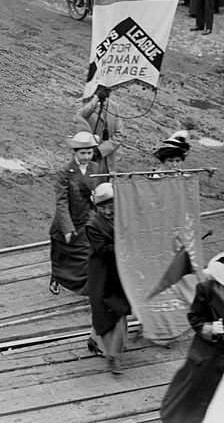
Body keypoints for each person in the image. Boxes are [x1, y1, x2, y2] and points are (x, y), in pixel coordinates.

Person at [160, 244, 224, 423]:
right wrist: (208, 328)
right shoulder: (206, 290)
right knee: (207, 397)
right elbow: (195, 317)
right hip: (210, 356)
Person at [84, 181, 131, 375]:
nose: (109, 211)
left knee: (117, 309)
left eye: (112, 207)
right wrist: (127, 243)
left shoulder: (123, 218)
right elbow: (103, 250)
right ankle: (114, 355)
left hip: (121, 271)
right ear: (98, 208)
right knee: (111, 309)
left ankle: (96, 339)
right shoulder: (92, 225)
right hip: (103, 272)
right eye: (104, 207)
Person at [48, 132, 103, 296]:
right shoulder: (65, 172)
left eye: (90, 152)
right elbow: (62, 202)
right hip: (69, 221)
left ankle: (87, 287)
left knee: (87, 256)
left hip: (88, 220)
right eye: (83, 153)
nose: (86, 156)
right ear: (75, 153)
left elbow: (101, 193)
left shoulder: (96, 169)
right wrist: (66, 228)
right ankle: (56, 278)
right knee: (62, 256)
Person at [73, 83, 121, 177]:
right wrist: (96, 99)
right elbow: (79, 116)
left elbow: (120, 134)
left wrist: (101, 150)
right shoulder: (85, 103)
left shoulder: (114, 107)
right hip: (86, 157)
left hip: (106, 160)